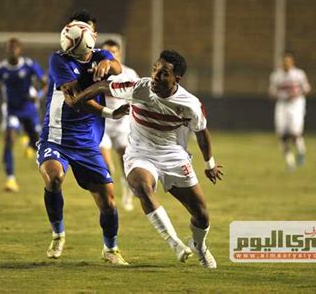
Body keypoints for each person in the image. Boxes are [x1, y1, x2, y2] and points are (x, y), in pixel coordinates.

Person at [68, 50, 224, 269]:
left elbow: (201, 132)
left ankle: (199, 246)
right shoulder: (140, 88)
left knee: (202, 215)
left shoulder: (190, 104)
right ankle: (175, 243)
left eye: (163, 74)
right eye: (155, 70)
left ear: (176, 79)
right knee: (142, 187)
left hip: (173, 155)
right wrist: (78, 98)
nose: (155, 77)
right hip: (140, 153)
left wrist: (209, 164)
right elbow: (104, 86)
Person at [36, 10, 130, 265]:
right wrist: (110, 112)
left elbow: (118, 67)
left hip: (88, 142)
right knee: (54, 178)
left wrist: (109, 65)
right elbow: (76, 101)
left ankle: (110, 249)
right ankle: (58, 233)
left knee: (108, 202)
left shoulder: (101, 55)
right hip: (56, 136)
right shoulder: (58, 60)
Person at [0, 37, 46, 192]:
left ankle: (28, 143)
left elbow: (45, 83)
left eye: (15, 48)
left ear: (20, 49)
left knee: (36, 142)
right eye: (10, 48)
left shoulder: (29, 65)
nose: (13, 50)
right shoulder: (1, 69)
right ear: (7, 50)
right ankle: (10, 179)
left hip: (29, 109)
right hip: (11, 110)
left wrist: (38, 95)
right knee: (9, 140)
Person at [99, 39, 139, 211]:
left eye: (114, 52)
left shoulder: (129, 74)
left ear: (119, 53)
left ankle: (128, 192)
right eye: (107, 52)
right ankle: (109, 200)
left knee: (125, 161)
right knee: (107, 166)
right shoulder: (97, 72)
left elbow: (139, 97)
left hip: (122, 125)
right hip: (102, 124)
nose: (111, 55)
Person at [269, 52, 311, 171]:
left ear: (292, 62)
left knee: (294, 133)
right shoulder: (276, 76)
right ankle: (290, 162)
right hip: (282, 105)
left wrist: (296, 94)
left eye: (288, 61)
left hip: (296, 105)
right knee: (282, 135)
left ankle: (301, 151)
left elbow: (307, 88)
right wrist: (280, 94)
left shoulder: (299, 74)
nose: (286, 64)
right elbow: (272, 91)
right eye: (284, 62)